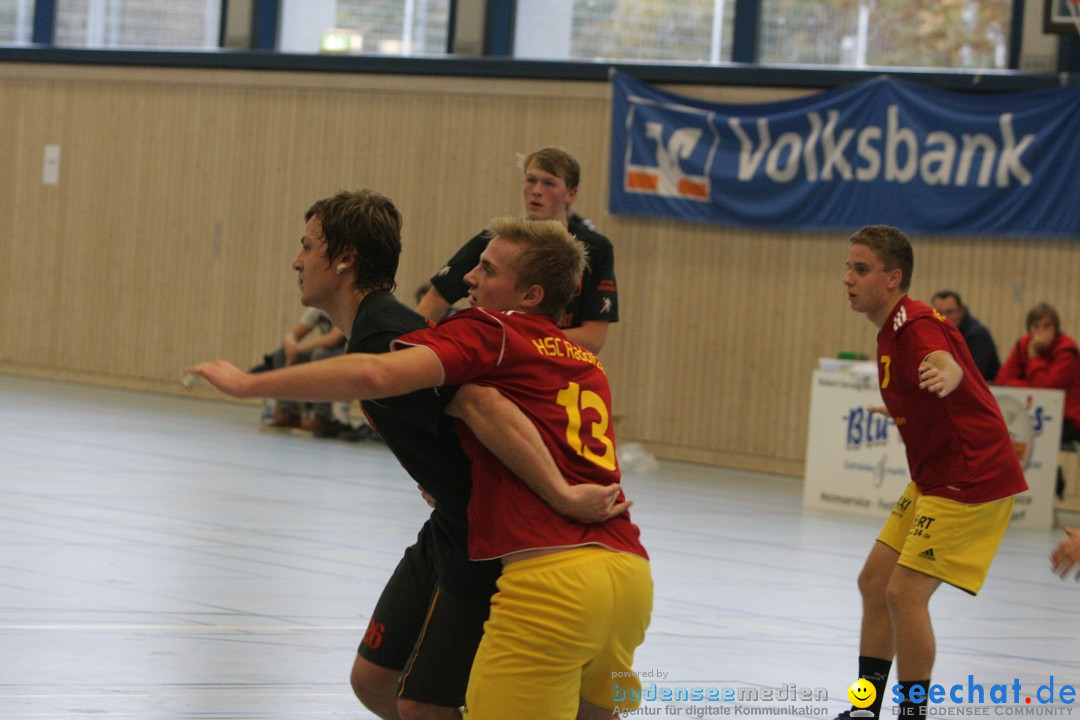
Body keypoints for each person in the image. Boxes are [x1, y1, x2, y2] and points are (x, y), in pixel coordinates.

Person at [187, 216, 652, 720]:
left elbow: (378, 372)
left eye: (488, 270)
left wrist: (250, 383)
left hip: (550, 574)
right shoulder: (585, 362)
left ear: (532, 294)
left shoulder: (492, 332)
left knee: (427, 702)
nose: (468, 277)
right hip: (628, 571)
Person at [838, 225, 1027, 720]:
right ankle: (864, 708)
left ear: (892, 277)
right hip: (933, 477)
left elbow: (943, 359)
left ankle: (912, 714)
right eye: (848, 267)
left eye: (861, 269)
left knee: (904, 594)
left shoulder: (916, 324)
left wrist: (949, 372)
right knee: (873, 582)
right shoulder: (888, 330)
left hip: (971, 479)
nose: (848, 278)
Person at [416, 147, 617, 353]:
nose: (537, 190)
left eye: (548, 183)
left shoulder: (595, 249)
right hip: (497, 357)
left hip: (556, 361)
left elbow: (592, 339)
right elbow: (433, 301)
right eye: (531, 180)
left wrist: (514, 339)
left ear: (571, 194)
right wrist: (414, 346)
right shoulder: (496, 239)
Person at [995, 302, 1080, 446]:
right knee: (999, 428)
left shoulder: (1067, 352)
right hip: (1030, 413)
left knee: (1026, 432)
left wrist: (1033, 356)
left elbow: (1045, 389)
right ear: (1029, 329)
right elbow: (1002, 381)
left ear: (1055, 329)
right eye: (1036, 326)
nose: (1040, 332)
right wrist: (1027, 386)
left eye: (1047, 326)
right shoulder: (1023, 344)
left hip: (1066, 418)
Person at [257, 307, 348, 435]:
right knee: (282, 354)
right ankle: (290, 413)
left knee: (321, 355)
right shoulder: (318, 308)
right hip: (327, 353)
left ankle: (322, 416)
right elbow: (293, 334)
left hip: (350, 355)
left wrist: (298, 349)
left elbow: (333, 340)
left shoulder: (343, 306)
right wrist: (290, 344)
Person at [929, 290, 1000, 382]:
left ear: (961, 311)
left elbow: (974, 373)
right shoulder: (934, 333)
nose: (944, 317)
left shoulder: (977, 335)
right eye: (938, 313)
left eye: (950, 312)